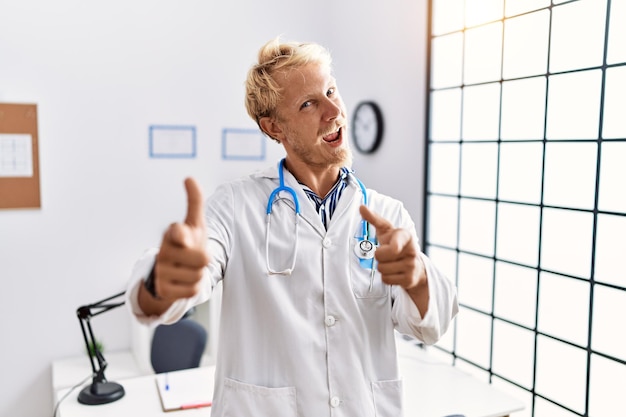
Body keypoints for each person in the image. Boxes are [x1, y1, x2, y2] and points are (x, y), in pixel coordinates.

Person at [126, 37, 458, 417]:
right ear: (274, 128)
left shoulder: (387, 214)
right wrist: (161, 283)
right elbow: (185, 279)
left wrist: (417, 279)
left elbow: (429, 328)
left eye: (331, 91)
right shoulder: (236, 206)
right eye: (308, 103)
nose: (334, 111)